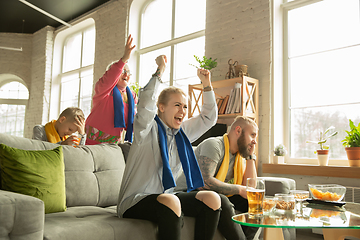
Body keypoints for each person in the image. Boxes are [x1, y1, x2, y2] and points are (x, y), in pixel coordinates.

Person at [118, 55, 221, 240]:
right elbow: (146, 104)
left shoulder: (182, 133)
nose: (182, 111)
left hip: (166, 197)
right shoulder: (146, 129)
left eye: (185, 107)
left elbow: (208, 118)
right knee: (171, 200)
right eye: (177, 105)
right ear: (162, 107)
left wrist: (206, 84)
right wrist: (160, 71)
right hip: (135, 200)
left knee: (212, 198)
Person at [194, 116, 259, 240]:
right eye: (252, 135)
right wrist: (239, 189)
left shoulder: (239, 155)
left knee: (254, 202)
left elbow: (250, 189)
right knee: (223, 201)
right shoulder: (214, 145)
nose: (255, 141)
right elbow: (204, 183)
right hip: (192, 192)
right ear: (238, 130)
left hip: (218, 195)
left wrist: (251, 157)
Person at [85, 35, 137, 145]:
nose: (126, 74)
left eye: (128, 72)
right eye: (123, 70)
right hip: (92, 140)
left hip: (113, 143)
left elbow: (132, 120)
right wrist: (124, 59)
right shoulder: (103, 89)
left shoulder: (131, 96)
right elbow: (110, 78)